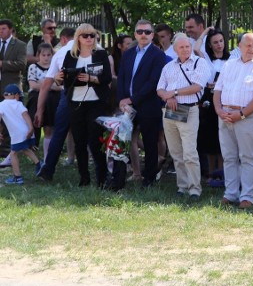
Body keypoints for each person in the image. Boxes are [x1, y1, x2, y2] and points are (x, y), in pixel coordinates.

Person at [213, 33, 253, 209]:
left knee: (247, 157)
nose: (252, 49)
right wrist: (219, 110)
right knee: (229, 157)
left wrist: (242, 114)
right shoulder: (229, 65)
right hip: (225, 114)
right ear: (239, 45)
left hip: (247, 117)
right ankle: (230, 194)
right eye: (248, 45)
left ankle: (247, 196)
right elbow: (217, 90)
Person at [155, 34, 210, 201]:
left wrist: (175, 93)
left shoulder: (199, 63)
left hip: (188, 109)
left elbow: (197, 86)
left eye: (187, 46)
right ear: (175, 49)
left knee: (189, 152)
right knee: (176, 152)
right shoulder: (169, 66)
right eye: (182, 47)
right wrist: (168, 97)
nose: (185, 50)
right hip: (169, 111)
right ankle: (182, 186)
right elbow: (159, 89)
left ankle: (195, 189)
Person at [116, 20, 169, 189]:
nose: (143, 35)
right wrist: (122, 100)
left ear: (152, 35)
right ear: (135, 34)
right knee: (122, 142)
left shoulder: (158, 55)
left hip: (148, 105)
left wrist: (131, 99)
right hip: (127, 106)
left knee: (150, 143)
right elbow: (122, 79)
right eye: (140, 32)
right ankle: (118, 180)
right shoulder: (128, 54)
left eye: (147, 32)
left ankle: (149, 180)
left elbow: (153, 83)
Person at [60, 24, 112, 187]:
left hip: (96, 102)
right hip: (76, 103)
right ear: (78, 38)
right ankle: (84, 178)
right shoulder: (70, 55)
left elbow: (107, 79)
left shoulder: (101, 54)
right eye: (85, 36)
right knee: (79, 141)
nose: (89, 38)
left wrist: (91, 79)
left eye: (92, 35)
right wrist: (58, 77)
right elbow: (63, 78)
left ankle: (102, 178)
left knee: (96, 142)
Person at [33, 27, 76, 181]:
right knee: (91, 132)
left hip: (69, 94)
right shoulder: (96, 49)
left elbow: (45, 85)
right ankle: (100, 171)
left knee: (59, 132)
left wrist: (39, 110)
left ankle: (48, 169)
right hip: (88, 95)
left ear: (63, 39)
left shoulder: (60, 53)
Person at [200, 29, 229, 187]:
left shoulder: (231, 59)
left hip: (225, 99)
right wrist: (205, 32)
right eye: (215, 42)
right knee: (210, 137)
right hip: (210, 100)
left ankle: (223, 173)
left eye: (221, 41)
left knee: (223, 139)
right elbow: (197, 48)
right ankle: (211, 174)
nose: (219, 45)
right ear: (210, 45)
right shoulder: (207, 60)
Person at [0, 85, 42, 184]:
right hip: (26, 131)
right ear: (16, 95)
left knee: (13, 153)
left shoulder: (1, 105)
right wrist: (31, 129)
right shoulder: (19, 104)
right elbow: (26, 116)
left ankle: (17, 177)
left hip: (17, 135)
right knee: (24, 149)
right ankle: (39, 164)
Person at [27, 43, 58, 152]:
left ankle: (48, 154)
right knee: (34, 119)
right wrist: (50, 85)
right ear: (38, 55)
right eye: (43, 55)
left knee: (50, 125)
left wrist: (43, 84)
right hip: (35, 97)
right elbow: (33, 85)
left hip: (52, 98)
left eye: (48, 55)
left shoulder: (56, 68)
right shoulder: (33, 67)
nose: (46, 57)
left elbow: (60, 87)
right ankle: (33, 144)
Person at [0, 19, 27, 93]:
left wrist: (3, 64)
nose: (1, 31)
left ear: (11, 30)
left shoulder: (20, 45)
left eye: (4, 29)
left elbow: (22, 64)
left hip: (11, 88)